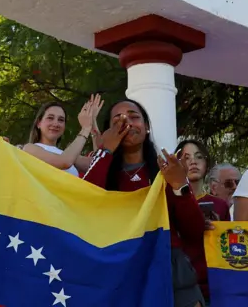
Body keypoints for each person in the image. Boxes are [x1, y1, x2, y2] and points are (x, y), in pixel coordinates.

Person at [83, 99, 208, 307]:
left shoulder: (166, 171)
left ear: (147, 127)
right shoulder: (101, 167)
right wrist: (106, 151)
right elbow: (84, 201)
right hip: (122, 273)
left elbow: (194, 231)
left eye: (134, 117)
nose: (127, 123)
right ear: (108, 132)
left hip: (171, 273)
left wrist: (179, 185)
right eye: (118, 120)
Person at [175, 140, 229, 305]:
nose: (193, 162)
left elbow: (228, 248)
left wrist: (219, 230)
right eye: (186, 157)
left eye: (199, 157)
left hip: (215, 285)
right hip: (183, 286)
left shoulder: (220, 205)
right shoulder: (170, 203)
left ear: (206, 163)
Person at [23, 94, 103, 176]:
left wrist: (92, 122)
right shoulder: (29, 148)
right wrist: (85, 128)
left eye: (61, 120)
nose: (56, 123)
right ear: (38, 123)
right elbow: (64, 162)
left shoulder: (68, 155)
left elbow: (98, 166)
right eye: (50, 118)